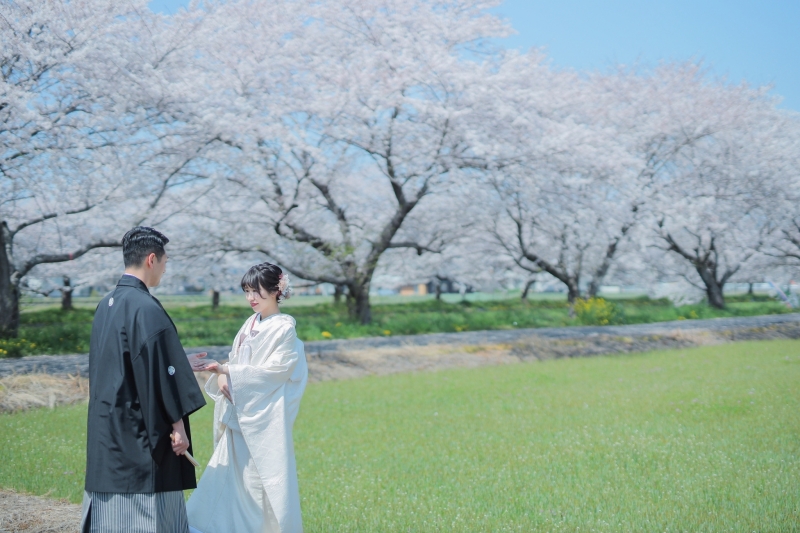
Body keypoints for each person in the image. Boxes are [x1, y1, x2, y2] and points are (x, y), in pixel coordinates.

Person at [81, 226, 207, 533]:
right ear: (152, 259)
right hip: (139, 434)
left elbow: (132, 363)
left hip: (107, 427)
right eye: (165, 262)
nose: (165, 269)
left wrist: (179, 364)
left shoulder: (106, 304)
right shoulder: (146, 307)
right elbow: (158, 374)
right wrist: (178, 427)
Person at [187, 262, 308, 533]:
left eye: (258, 291)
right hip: (238, 411)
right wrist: (222, 375)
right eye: (247, 291)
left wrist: (228, 370)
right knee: (228, 476)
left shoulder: (284, 328)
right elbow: (234, 360)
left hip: (263, 417)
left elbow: (275, 371)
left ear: (277, 290)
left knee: (260, 480)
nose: (251, 298)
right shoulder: (249, 323)